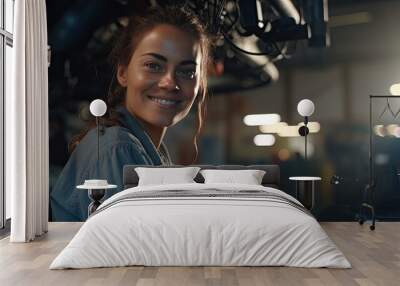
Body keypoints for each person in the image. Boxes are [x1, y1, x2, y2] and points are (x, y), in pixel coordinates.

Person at [51, 5, 211, 221]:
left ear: (199, 83)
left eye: (187, 71)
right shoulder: (119, 148)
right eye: (153, 65)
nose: (170, 82)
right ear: (123, 72)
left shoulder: (144, 148)